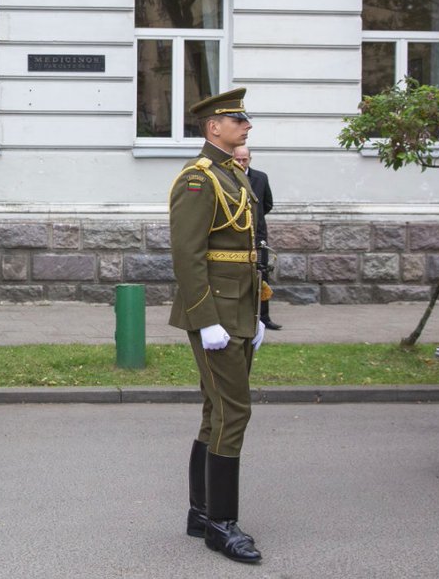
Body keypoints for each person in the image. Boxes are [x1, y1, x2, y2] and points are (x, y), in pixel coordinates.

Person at [168, 88, 266, 565]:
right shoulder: (198, 179)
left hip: (239, 310)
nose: (246, 126)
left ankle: (201, 513)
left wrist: (258, 313)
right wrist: (206, 320)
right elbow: (188, 256)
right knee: (234, 410)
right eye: (238, 120)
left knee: (215, 411)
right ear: (214, 128)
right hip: (216, 313)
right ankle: (221, 527)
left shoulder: (231, 173)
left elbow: (249, 252)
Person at [233, 146, 280, 330]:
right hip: (236, 235)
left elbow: (268, 204)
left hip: (258, 235)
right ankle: (239, 315)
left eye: (244, 159)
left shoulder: (260, 177)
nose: (241, 163)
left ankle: (264, 317)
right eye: (238, 159)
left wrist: (256, 217)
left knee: (262, 274)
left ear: (250, 159)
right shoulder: (227, 177)